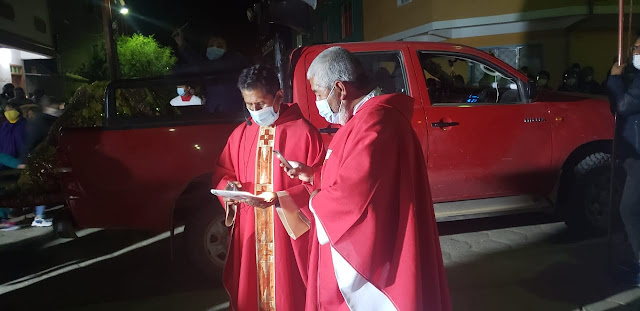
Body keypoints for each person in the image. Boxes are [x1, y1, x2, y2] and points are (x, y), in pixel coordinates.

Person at [285, 47, 451, 310]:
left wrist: (317, 201)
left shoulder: (376, 123)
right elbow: (350, 173)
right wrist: (313, 175)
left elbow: (356, 193)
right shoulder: (363, 120)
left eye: (318, 93)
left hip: (378, 255)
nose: (317, 102)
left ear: (339, 88)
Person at [211, 64, 325, 311]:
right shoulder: (241, 134)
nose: (255, 111)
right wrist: (229, 189)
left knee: (290, 295)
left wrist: (282, 197)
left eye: (260, 104)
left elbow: (322, 183)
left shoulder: (304, 133)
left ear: (279, 97)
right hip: (251, 230)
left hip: (288, 235)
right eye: (249, 105)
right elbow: (223, 172)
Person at [608, 36, 640, 285]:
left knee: (629, 209)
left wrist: (616, 78)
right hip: (633, 154)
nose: (634, 51)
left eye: (639, 48)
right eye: (634, 48)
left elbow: (623, 104)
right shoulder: (635, 76)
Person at [172, 30, 248, 115]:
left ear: (228, 49)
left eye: (220, 46)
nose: (214, 48)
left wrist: (183, 46)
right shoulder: (208, 71)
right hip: (214, 116)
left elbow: (202, 65)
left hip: (234, 116)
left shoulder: (234, 61)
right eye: (211, 45)